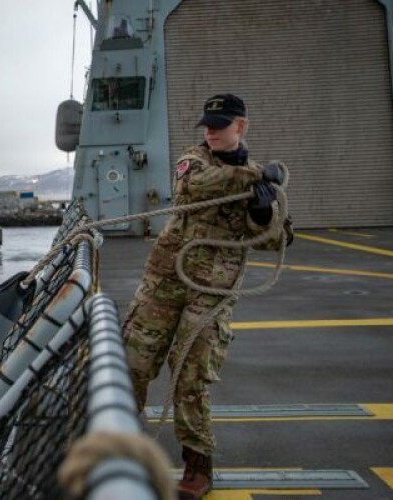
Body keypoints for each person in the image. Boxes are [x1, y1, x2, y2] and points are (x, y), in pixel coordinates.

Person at [122, 94, 291, 500]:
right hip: (165, 283)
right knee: (132, 364)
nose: (211, 131)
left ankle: (198, 466)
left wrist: (264, 213)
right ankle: (120, 454)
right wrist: (254, 178)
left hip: (212, 293)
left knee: (190, 376)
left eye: (220, 124)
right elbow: (191, 188)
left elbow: (277, 241)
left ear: (241, 126)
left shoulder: (260, 185)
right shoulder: (194, 161)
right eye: (207, 124)